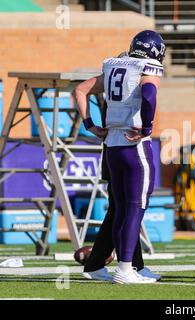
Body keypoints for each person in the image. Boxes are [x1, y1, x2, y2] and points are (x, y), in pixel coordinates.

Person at [73, 30, 165, 284]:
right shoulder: (148, 67)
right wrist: (147, 127)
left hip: (111, 144)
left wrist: (90, 126)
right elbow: (148, 94)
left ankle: (128, 266)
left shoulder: (115, 65)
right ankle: (126, 269)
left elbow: (80, 90)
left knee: (121, 208)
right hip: (133, 144)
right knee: (134, 208)